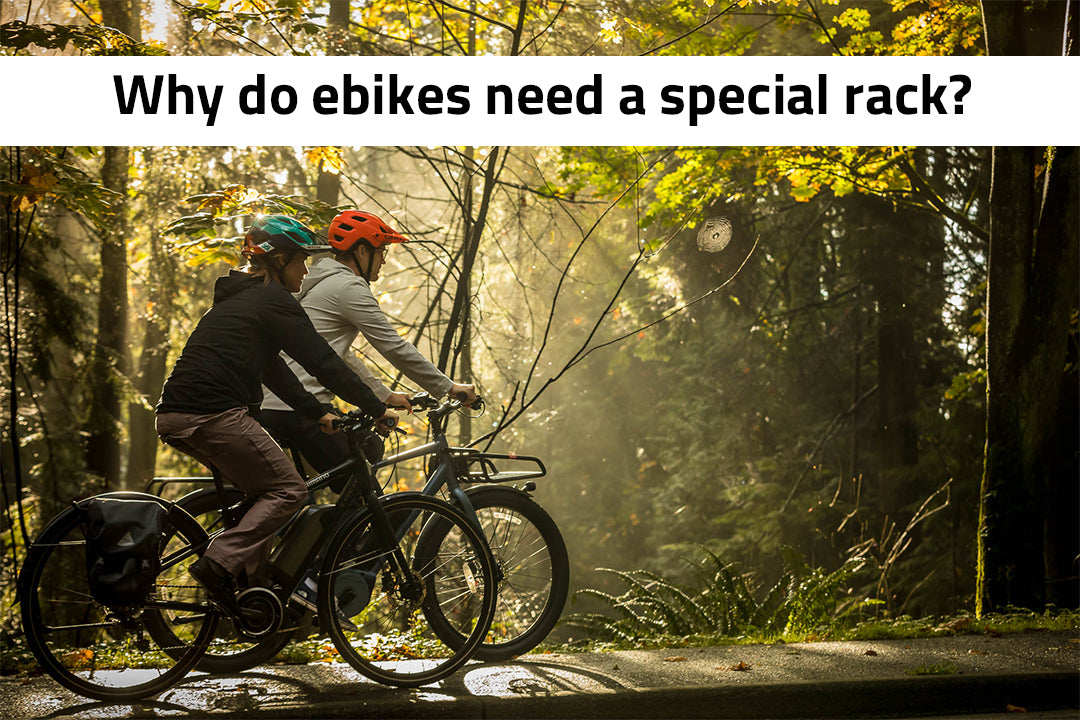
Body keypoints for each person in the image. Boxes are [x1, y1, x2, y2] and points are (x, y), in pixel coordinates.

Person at [155, 215, 397, 607]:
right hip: (213, 414)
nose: (306, 269)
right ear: (279, 260)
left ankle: (254, 590)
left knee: (263, 493)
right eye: (301, 260)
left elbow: (275, 369)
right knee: (289, 490)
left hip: (178, 414)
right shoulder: (271, 300)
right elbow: (321, 361)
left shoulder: (244, 300)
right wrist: (376, 406)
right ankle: (218, 563)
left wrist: (317, 410)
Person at [259, 209, 476, 477]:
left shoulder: (322, 283)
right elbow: (393, 346)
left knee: (344, 468)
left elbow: (339, 355)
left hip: (276, 403)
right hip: (301, 407)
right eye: (381, 250)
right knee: (365, 462)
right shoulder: (348, 287)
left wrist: (383, 395)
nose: (383, 260)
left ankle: (319, 518)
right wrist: (449, 387)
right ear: (362, 251)